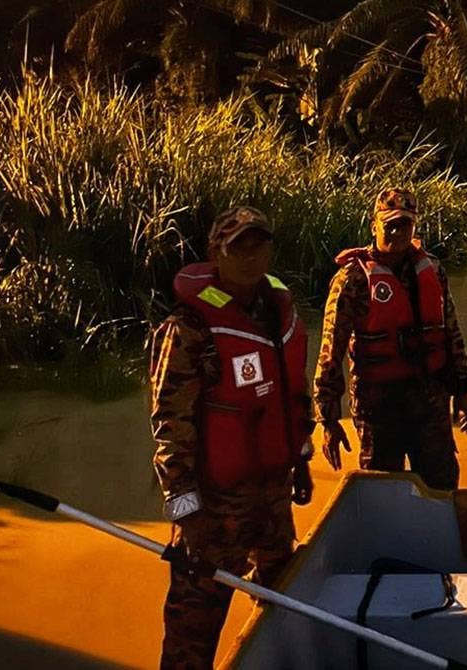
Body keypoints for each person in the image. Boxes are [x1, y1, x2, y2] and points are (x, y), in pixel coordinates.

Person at [149, 206, 314, 669]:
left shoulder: (278, 310)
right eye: (237, 245)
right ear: (215, 254)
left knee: (282, 603)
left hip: (273, 495)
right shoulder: (189, 329)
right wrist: (187, 511)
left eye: (258, 243)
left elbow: (294, 399)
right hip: (214, 506)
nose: (249, 255)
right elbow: (169, 423)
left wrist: (301, 461)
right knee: (192, 630)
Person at [313, 188, 467, 490]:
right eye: (391, 225)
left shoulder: (432, 269)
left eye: (406, 225)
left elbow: (450, 329)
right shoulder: (353, 280)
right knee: (382, 489)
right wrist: (328, 419)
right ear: (374, 225)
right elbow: (329, 350)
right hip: (379, 405)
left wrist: (462, 389)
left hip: (430, 399)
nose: (398, 233)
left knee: (442, 486)